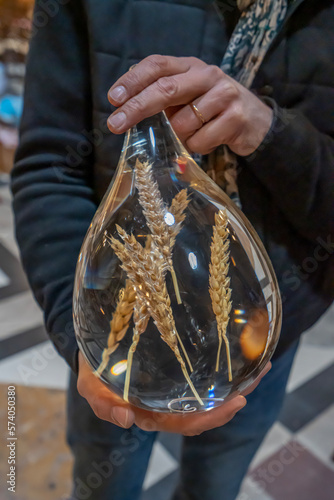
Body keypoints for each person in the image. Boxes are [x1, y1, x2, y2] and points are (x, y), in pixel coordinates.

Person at [11, 0, 334, 499]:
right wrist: (81, 337)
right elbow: (49, 166)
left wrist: (271, 134)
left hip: (265, 335)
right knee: (104, 481)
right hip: (119, 344)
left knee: (216, 484)